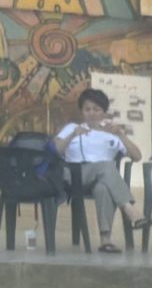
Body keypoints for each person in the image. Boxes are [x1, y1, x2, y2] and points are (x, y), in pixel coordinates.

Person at [54, 87, 140, 253]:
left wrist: (122, 136)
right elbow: (56, 151)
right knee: (107, 165)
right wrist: (72, 135)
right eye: (87, 109)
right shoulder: (72, 127)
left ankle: (105, 240)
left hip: (99, 180)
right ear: (82, 111)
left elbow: (137, 157)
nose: (92, 113)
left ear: (104, 112)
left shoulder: (111, 134)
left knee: (103, 188)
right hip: (75, 176)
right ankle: (131, 210)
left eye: (96, 109)